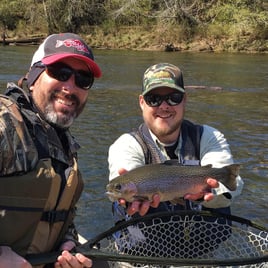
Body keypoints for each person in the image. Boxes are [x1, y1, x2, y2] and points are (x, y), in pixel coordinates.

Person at [0, 33, 102, 268]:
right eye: (60, 72)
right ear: (34, 77)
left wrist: (67, 242)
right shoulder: (5, 123)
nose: (70, 87)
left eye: (83, 79)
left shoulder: (63, 142)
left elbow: (61, 216)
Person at [108, 62, 244, 231]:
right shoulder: (126, 145)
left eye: (173, 98)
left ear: (184, 100)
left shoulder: (209, 137)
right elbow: (126, 169)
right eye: (154, 99)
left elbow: (233, 184)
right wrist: (131, 197)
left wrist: (208, 193)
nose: (164, 106)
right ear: (142, 102)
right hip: (144, 252)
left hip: (205, 252)